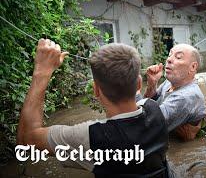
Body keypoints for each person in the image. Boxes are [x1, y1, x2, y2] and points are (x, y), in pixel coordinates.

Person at [17, 39, 170, 177]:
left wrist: (42, 71)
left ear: (96, 90)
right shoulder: (155, 109)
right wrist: (151, 85)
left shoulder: (90, 136)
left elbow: (26, 141)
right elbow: (140, 103)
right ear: (138, 84)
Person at [137, 44, 206, 132]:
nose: (169, 59)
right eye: (170, 55)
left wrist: (135, 92)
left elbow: (145, 125)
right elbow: (152, 100)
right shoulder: (170, 82)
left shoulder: (185, 96)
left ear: (193, 67)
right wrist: (152, 84)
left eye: (178, 57)